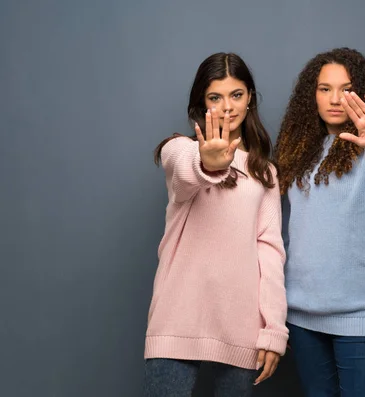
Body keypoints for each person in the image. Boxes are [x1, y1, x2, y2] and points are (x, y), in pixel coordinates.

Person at [144, 52, 288, 397]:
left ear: (250, 97)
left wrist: (273, 330)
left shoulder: (265, 173)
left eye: (236, 95)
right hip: (176, 320)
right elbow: (184, 172)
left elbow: (270, 254)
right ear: (201, 103)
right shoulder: (179, 151)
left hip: (240, 325)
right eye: (215, 97)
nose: (227, 107)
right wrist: (208, 162)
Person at [275, 47, 365, 396]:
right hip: (302, 317)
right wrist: (280, 310)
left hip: (360, 317)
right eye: (324, 89)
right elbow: (286, 235)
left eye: (345, 88)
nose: (335, 98)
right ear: (312, 95)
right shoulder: (296, 152)